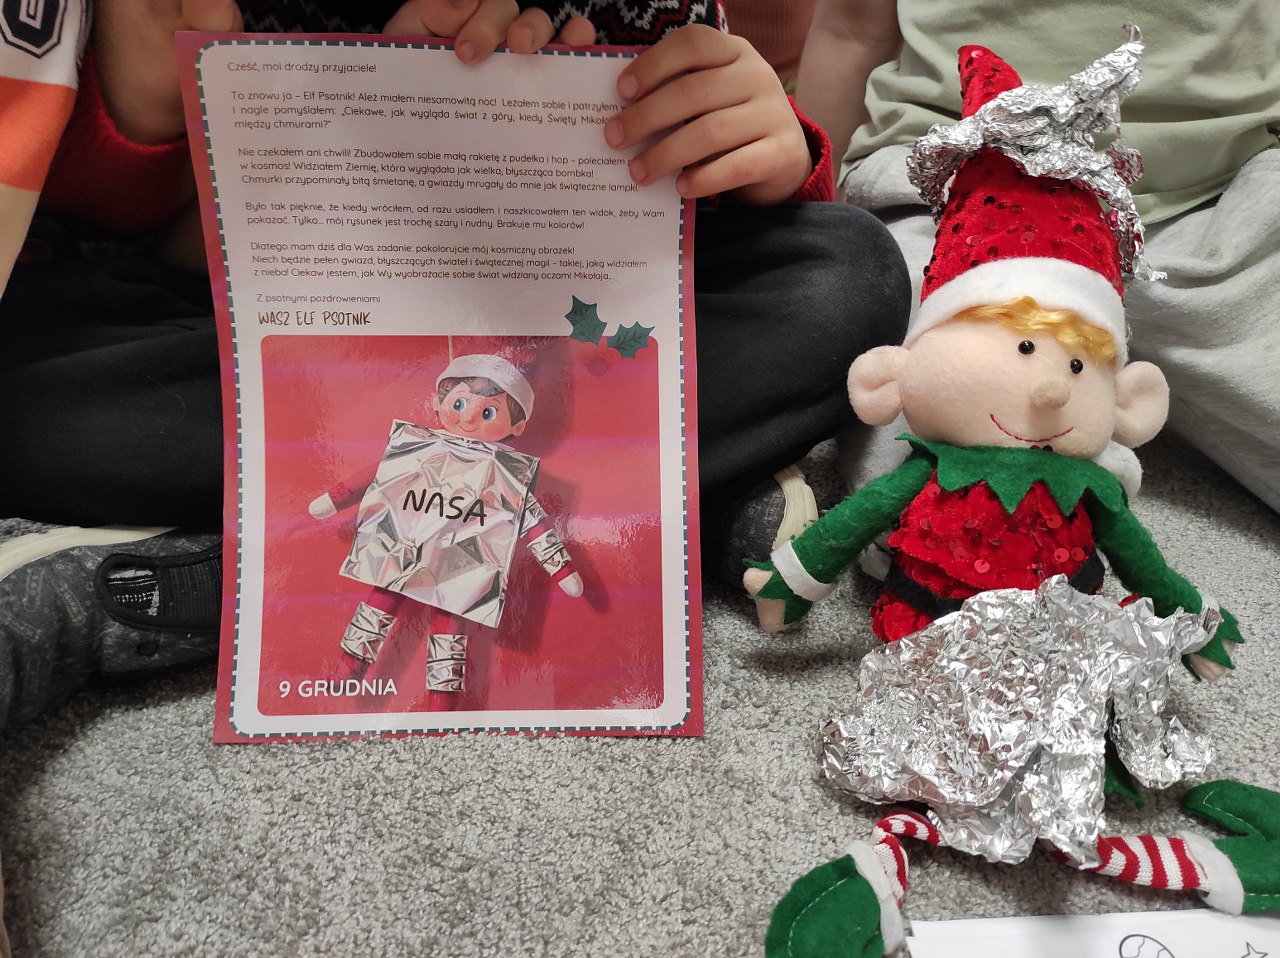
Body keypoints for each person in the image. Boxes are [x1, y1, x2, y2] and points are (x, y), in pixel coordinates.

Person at [0, 0, 910, 726]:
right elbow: (73, 251)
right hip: (268, 327)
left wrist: (767, 160)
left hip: (551, 332)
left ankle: (213, 558)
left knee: (848, 274)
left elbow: (700, 233)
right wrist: (180, 136)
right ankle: (684, 487)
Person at [794, 0, 1280, 510]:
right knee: (933, 503)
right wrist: (814, 219)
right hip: (949, 190)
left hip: (1219, 202)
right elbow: (852, 31)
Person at [307, 353, 583, 690]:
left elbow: (532, 520)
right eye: (460, 403)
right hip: (404, 547)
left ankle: (440, 697)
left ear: (517, 426)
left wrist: (561, 569)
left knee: (447, 625)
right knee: (383, 599)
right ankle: (349, 670)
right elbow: (379, 475)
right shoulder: (419, 449)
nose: (469, 417)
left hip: (460, 569)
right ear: (438, 403)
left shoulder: (506, 474)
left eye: (488, 412)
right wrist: (336, 497)